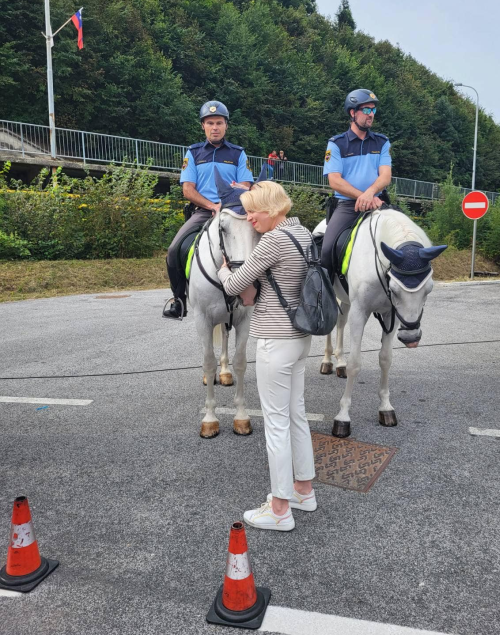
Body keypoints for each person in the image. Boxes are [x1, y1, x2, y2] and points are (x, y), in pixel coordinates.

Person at [217, 181, 317, 532]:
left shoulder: (273, 240)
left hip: (276, 338)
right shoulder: (302, 233)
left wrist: (223, 269)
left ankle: (279, 509)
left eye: (252, 211)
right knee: (296, 415)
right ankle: (304, 491)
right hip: (300, 336)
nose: (249, 218)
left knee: (276, 424)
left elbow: (233, 286)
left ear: (271, 209)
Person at [162, 100, 254, 319]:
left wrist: (230, 200)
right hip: (204, 212)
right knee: (174, 250)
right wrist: (212, 205)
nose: (215, 127)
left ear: (226, 126)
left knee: (258, 244)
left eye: (219, 123)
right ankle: (179, 300)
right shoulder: (193, 153)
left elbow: (247, 185)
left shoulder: (238, 154)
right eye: (210, 123)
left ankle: (262, 294)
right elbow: (188, 189)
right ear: (203, 126)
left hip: (234, 213)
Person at [320, 88, 392, 278]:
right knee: (326, 251)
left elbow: (385, 177)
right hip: (347, 206)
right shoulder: (336, 144)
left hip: (377, 201)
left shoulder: (382, 142)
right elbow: (334, 181)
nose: (371, 115)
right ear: (352, 113)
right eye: (366, 110)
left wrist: (370, 194)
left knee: (406, 239)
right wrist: (363, 196)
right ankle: (322, 299)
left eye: (373, 110)